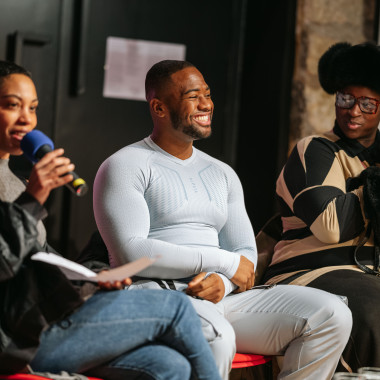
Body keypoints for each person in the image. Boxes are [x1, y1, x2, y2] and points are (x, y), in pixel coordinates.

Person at [93, 59, 353, 380]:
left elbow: (244, 253)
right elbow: (129, 254)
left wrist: (224, 281)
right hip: (157, 297)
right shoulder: (125, 165)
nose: (206, 104)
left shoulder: (222, 173)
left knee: (332, 315)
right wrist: (223, 263)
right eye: (193, 96)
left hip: (217, 298)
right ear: (159, 107)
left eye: (208, 93)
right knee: (218, 337)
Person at [0, 60, 222, 380]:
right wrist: (33, 200)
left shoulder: (14, 181)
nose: (27, 118)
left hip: (40, 324)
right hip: (14, 341)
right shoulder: (27, 191)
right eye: (12, 105)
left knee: (168, 365)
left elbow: (38, 263)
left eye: (32, 108)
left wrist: (95, 277)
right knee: (176, 308)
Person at [262, 41, 380, 372]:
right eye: (346, 98)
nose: (353, 110)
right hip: (305, 273)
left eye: (367, 103)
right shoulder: (314, 150)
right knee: (373, 310)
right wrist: (372, 188)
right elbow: (332, 226)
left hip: (368, 274)